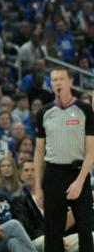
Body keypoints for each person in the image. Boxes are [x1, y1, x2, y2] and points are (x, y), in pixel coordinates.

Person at [33, 67, 93, 252]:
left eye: (61, 78)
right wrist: (37, 186)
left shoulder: (85, 110)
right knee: (53, 230)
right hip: (53, 174)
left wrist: (80, 182)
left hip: (78, 173)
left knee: (85, 227)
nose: (57, 82)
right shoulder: (43, 113)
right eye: (53, 80)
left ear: (70, 82)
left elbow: (91, 151)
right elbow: (38, 152)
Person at [12, 159, 79, 252]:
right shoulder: (18, 198)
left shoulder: (49, 194)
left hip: (57, 236)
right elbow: (26, 230)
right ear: (21, 176)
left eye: (33, 170)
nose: (30, 173)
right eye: (26, 170)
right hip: (35, 240)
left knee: (90, 237)